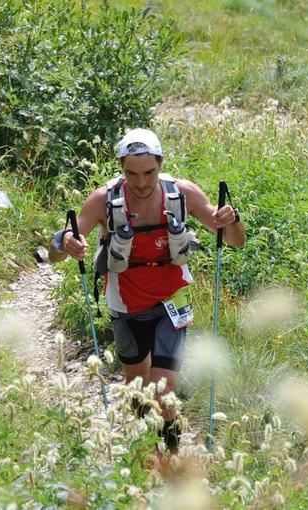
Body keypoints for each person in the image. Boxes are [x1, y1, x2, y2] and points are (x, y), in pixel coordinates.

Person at [49, 128, 246, 452]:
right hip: (127, 307)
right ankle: (148, 455)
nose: (141, 182)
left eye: (149, 172)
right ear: (121, 167)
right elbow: (57, 251)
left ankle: (169, 461)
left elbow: (235, 240)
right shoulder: (103, 200)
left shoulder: (183, 194)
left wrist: (232, 218)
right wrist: (65, 241)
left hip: (171, 302)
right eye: (131, 174)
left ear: (161, 162)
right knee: (137, 391)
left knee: (163, 390)